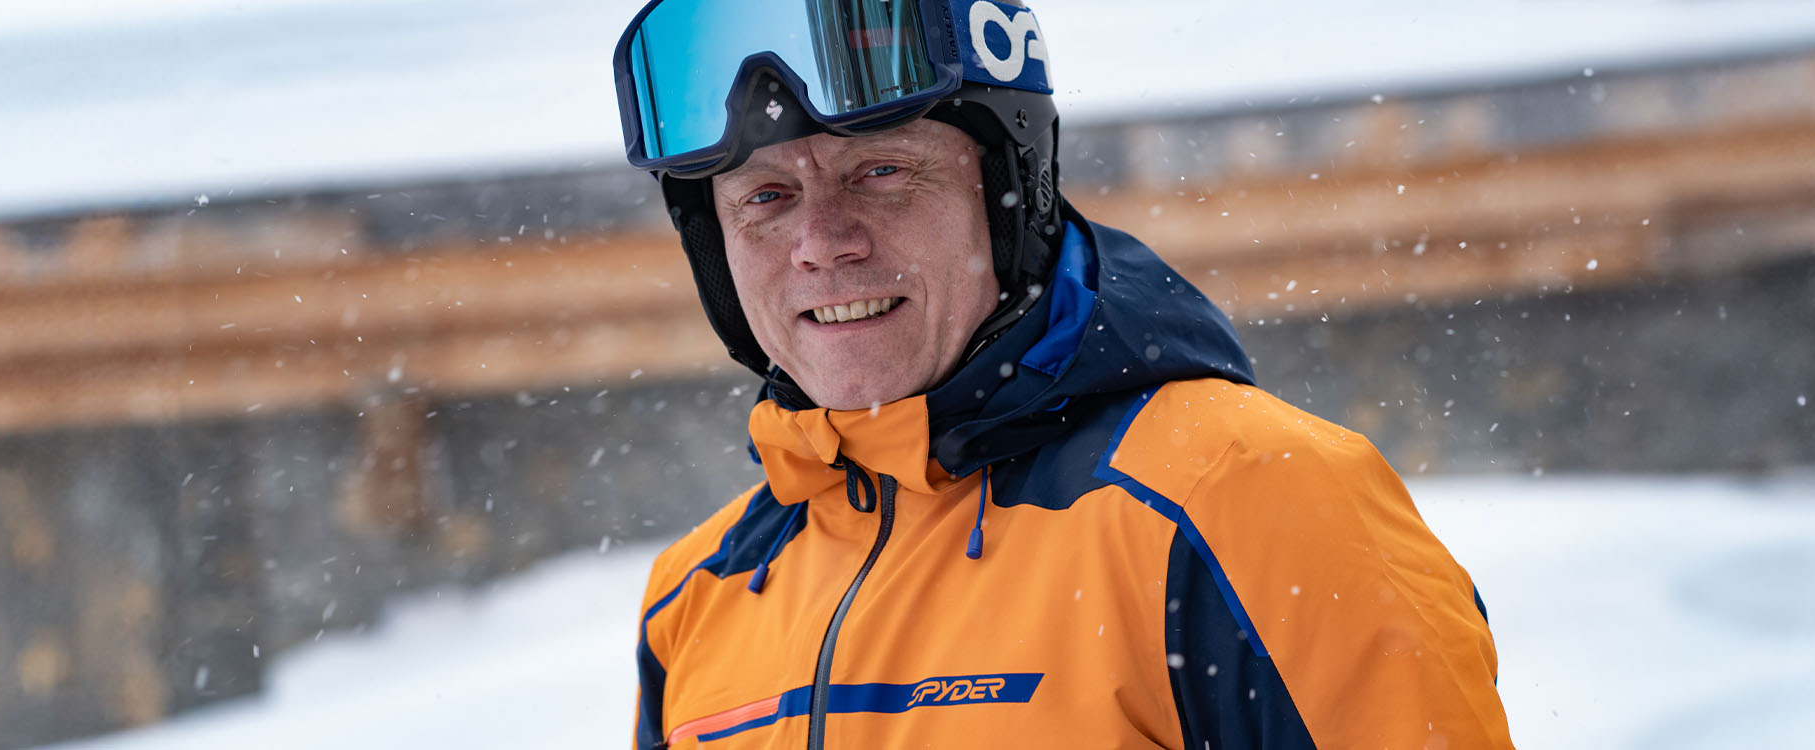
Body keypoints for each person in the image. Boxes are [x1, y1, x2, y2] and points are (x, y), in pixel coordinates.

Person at [608, 1, 1513, 747]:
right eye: (766, 198)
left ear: (1011, 198)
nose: (821, 244)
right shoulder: (698, 593)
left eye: (883, 172)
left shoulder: (1241, 497)